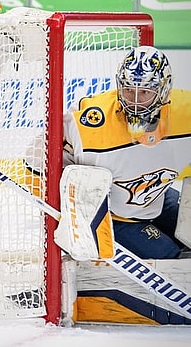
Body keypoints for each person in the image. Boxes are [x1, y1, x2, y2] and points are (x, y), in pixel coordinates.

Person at [63, 46, 191, 259]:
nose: (135, 101)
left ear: (164, 90)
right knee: (175, 262)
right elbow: (41, 155)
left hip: (156, 197)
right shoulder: (91, 119)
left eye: (145, 92)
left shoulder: (184, 112)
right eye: (129, 90)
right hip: (115, 218)